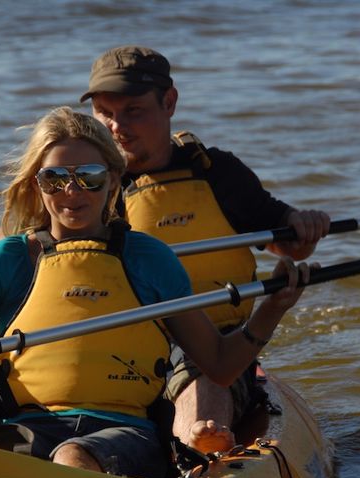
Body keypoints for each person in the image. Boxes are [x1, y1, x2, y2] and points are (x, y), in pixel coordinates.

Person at [0, 107, 313, 478]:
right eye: (54, 179)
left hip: (125, 434)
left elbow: (219, 366)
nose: (72, 192)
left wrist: (273, 308)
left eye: (89, 178)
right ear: (36, 184)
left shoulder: (150, 258)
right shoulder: (8, 258)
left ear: (113, 180)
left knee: (72, 456)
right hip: (25, 427)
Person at [79, 46, 331, 454]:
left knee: (203, 373)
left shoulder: (217, 173)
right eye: (105, 113)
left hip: (214, 345)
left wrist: (305, 224)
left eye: (133, 111)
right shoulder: (83, 184)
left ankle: (200, 453)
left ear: (169, 102)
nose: (116, 127)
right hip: (120, 348)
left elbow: (289, 243)